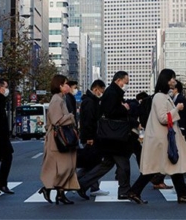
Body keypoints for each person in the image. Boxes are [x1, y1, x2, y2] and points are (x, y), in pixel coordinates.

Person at [127, 69, 186, 204]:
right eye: (172, 78)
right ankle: (135, 191)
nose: (174, 81)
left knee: (172, 165)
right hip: (162, 139)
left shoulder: (163, 96)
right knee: (159, 166)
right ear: (165, 80)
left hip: (164, 138)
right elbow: (163, 118)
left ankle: (182, 194)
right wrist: (177, 108)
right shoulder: (160, 97)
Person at [77, 71, 132, 200]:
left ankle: (82, 185)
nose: (127, 85)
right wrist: (124, 108)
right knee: (123, 163)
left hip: (110, 137)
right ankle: (124, 190)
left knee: (106, 164)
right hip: (114, 137)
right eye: (126, 82)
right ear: (118, 81)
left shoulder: (113, 92)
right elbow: (110, 112)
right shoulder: (112, 93)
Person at [40, 74, 80, 204]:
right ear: (60, 85)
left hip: (61, 138)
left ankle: (60, 194)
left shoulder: (61, 98)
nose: (68, 86)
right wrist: (71, 117)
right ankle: (49, 188)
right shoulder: (57, 100)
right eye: (66, 84)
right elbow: (57, 120)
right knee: (63, 167)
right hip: (58, 139)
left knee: (67, 167)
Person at [77, 79, 109, 197]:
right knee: (93, 163)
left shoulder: (91, 100)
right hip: (90, 137)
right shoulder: (90, 102)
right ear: (95, 89)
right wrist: (90, 137)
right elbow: (88, 121)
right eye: (101, 90)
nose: (102, 93)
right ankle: (76, 182)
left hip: (90, 136)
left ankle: (88, 186)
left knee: (91, 163)